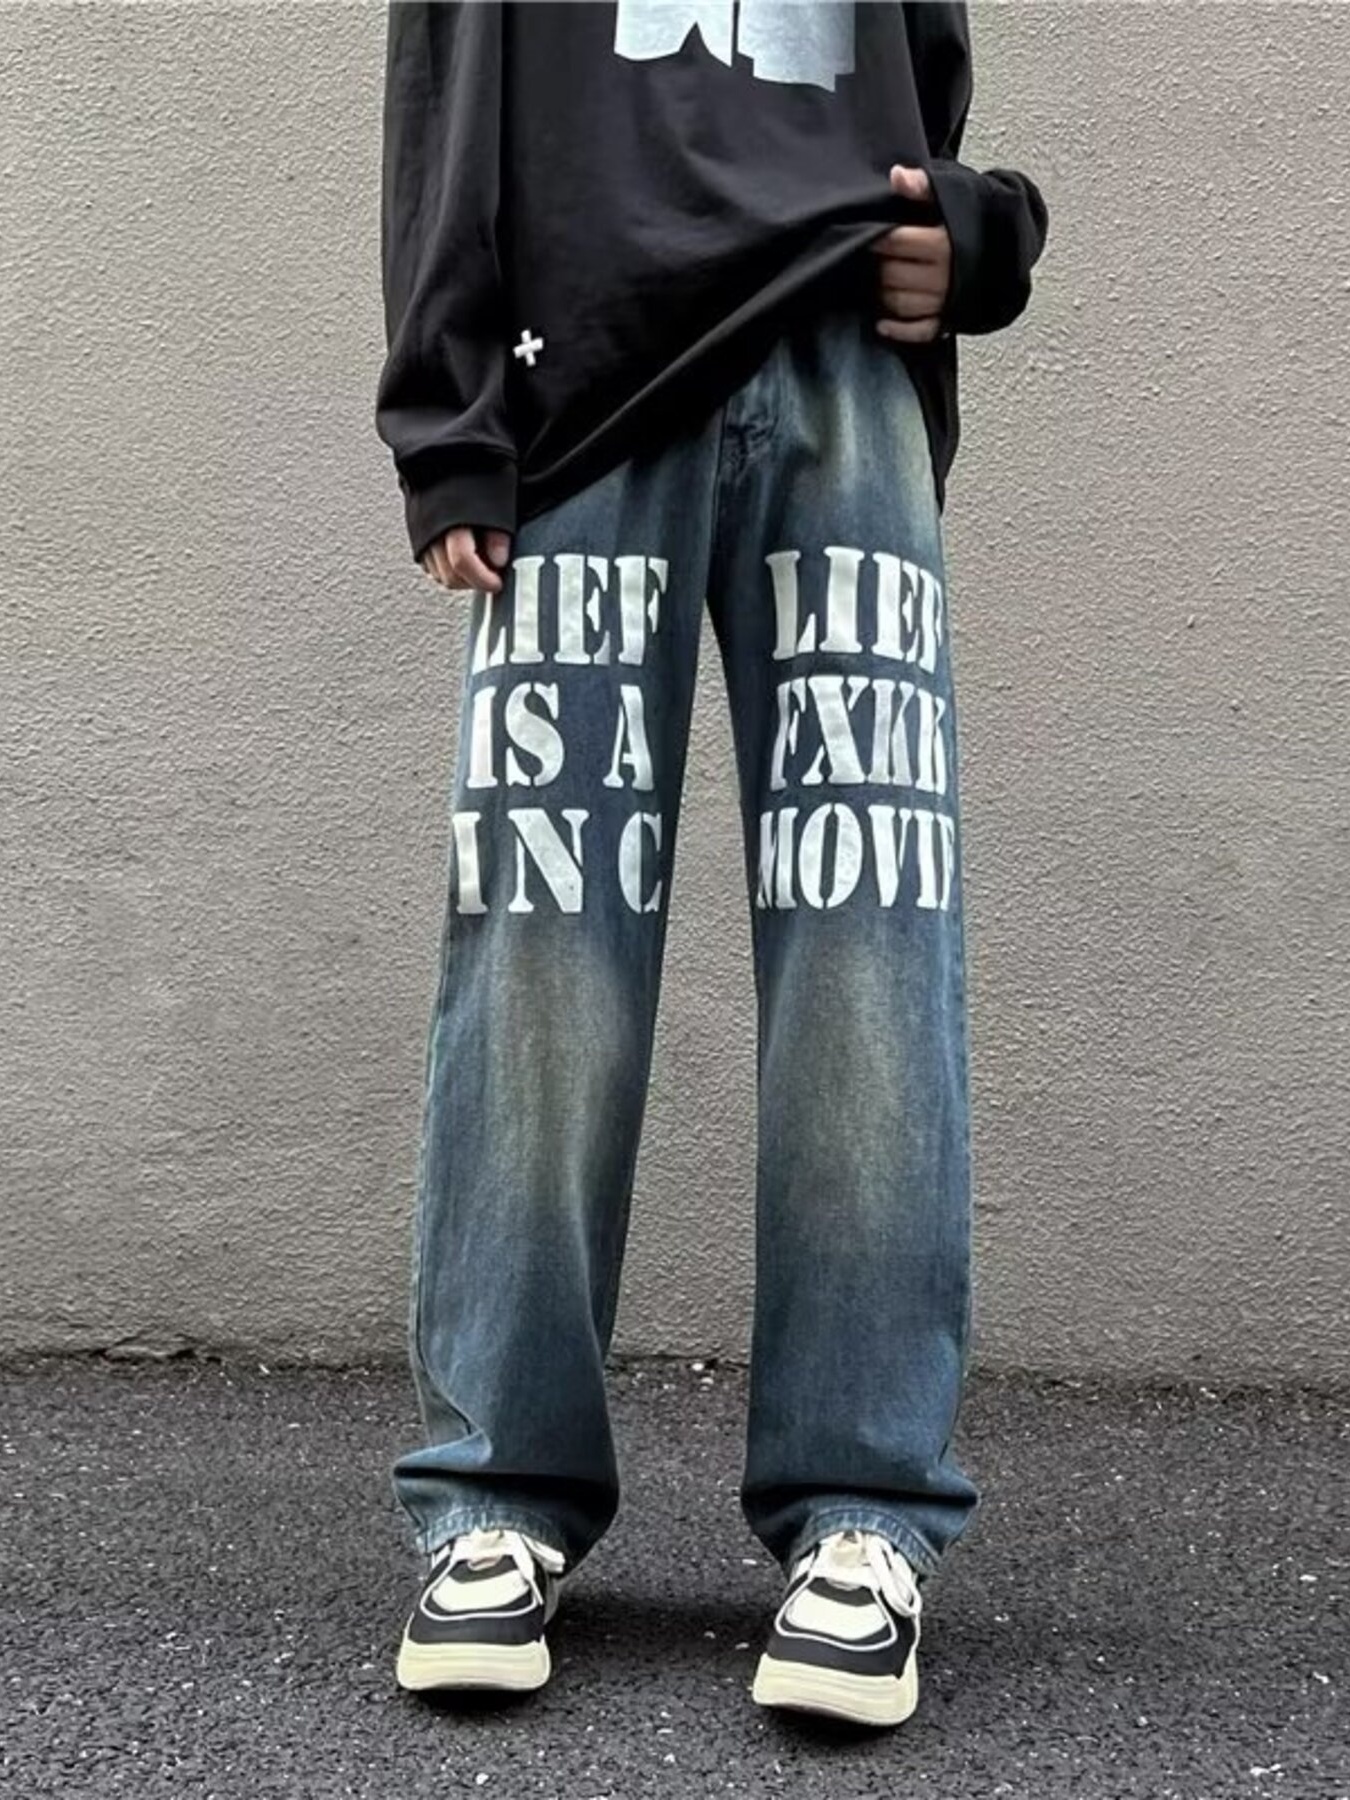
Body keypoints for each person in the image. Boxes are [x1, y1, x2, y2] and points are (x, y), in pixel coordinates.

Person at [375, 0, 1047, 1730]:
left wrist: (973, 238)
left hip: (843, 379)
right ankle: (497, 1493)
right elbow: (446, 98)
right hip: (579, 395)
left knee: (870, 943)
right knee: (540, 947)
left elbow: (917, 84)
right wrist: (448, 414)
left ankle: (864, 1508)